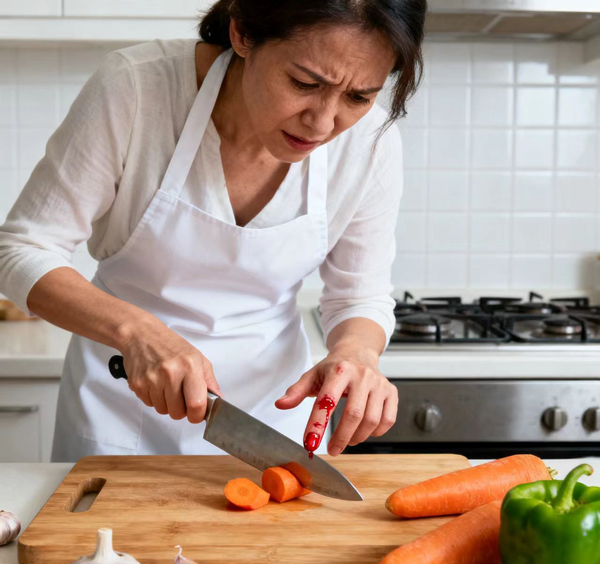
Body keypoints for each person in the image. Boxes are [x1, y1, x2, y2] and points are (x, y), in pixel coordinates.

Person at [0, 0, 426, 462]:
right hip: (120, 411)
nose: (323, 123)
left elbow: (359, 296)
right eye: (304, 84)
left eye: (358, 97)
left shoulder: (369, 143)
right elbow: (22, 249)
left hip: (271, 421)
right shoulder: (137, 88)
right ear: (242, 32)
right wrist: (137, 331)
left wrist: (358, 353)